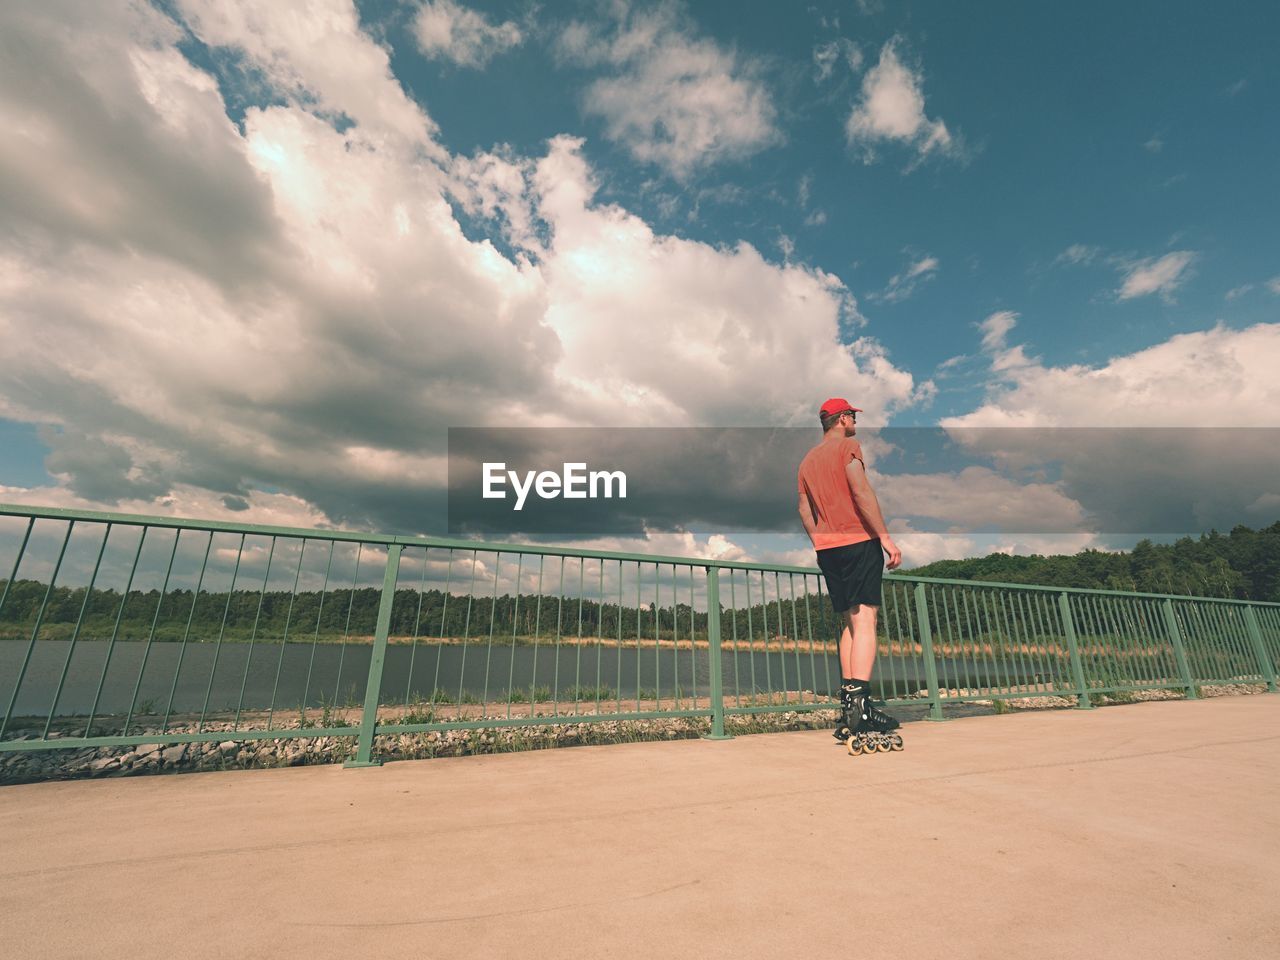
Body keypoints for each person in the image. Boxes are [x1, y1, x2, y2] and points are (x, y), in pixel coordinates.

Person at [796, 398, 903, 744]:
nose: (855, 421)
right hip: (858, 541)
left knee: (849, 621)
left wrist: (819, 543)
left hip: (829, 548)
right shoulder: (849, 447)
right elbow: (861, 491)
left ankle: (849, 704)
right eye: (853, 416)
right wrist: (885, 538)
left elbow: (804, 510)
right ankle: (861, 708)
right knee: (866, 619)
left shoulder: (807, 461)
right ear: (842, 419)